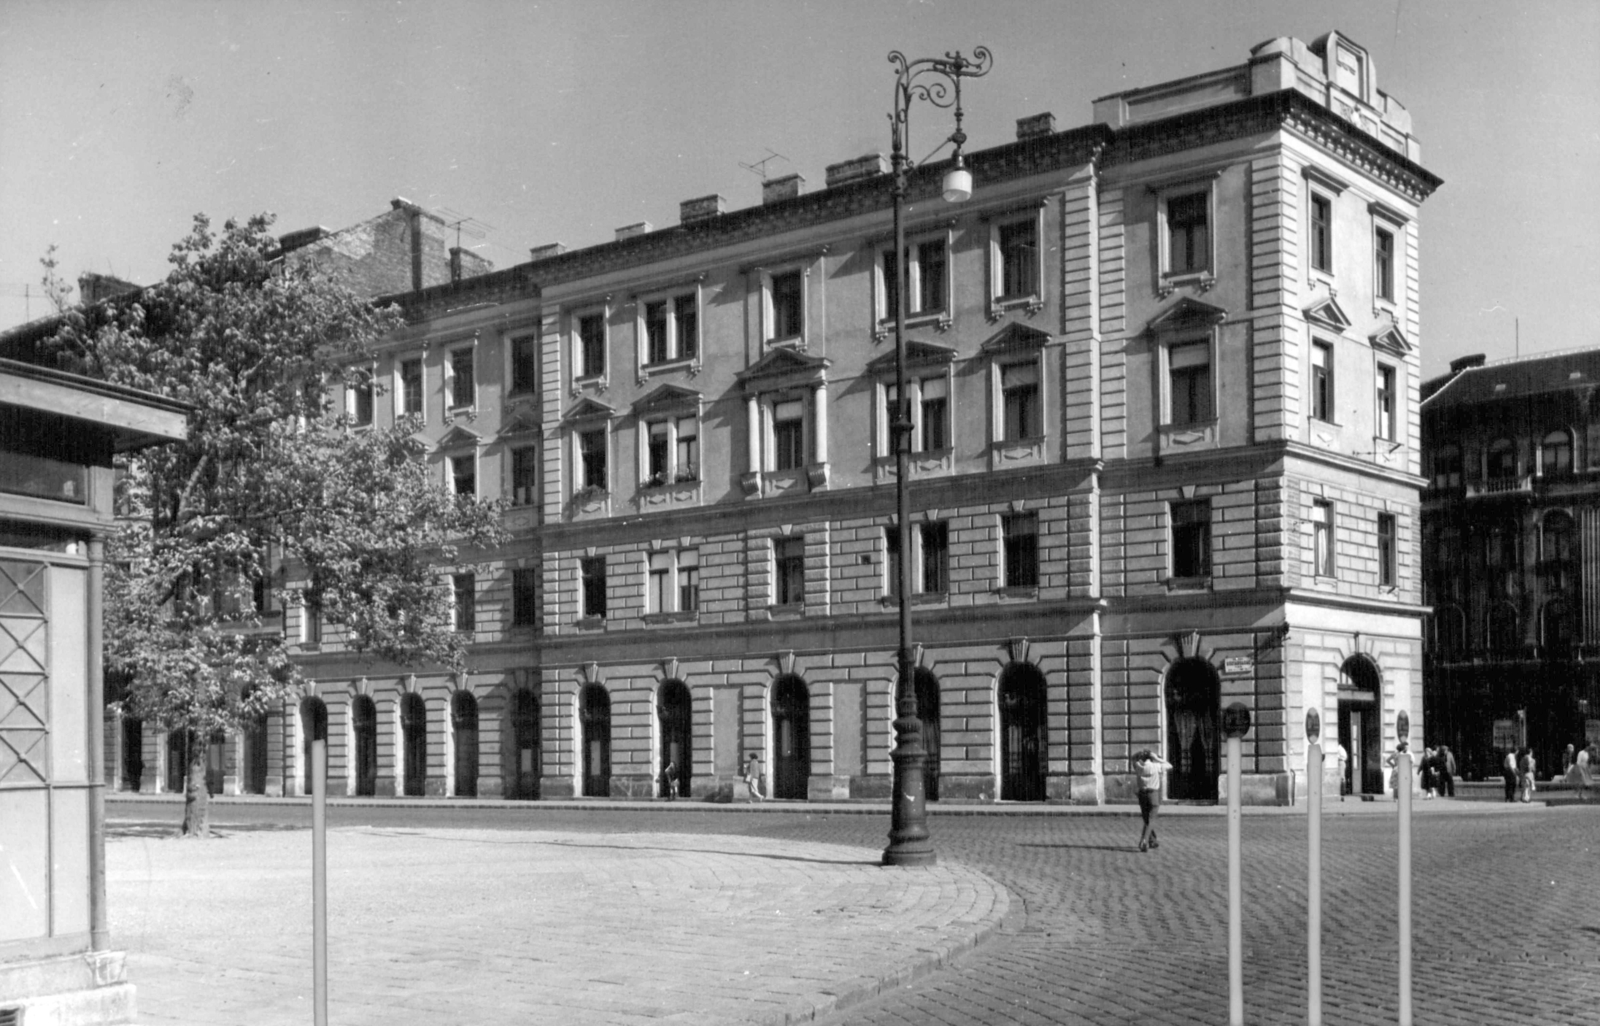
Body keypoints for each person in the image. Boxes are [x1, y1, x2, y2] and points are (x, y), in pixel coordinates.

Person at [1132, 749, 1173, 852]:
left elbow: (1133, 757)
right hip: (1153, 794)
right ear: (1151, 759)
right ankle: (1144, 840)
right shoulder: (1156, 766)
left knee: (1146, 819)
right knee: (1151, 819)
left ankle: (1152, 840)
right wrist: (1156, 758)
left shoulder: (1137, 766)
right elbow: (1169, 765)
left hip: (1142, 795)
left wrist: (1140, 754)